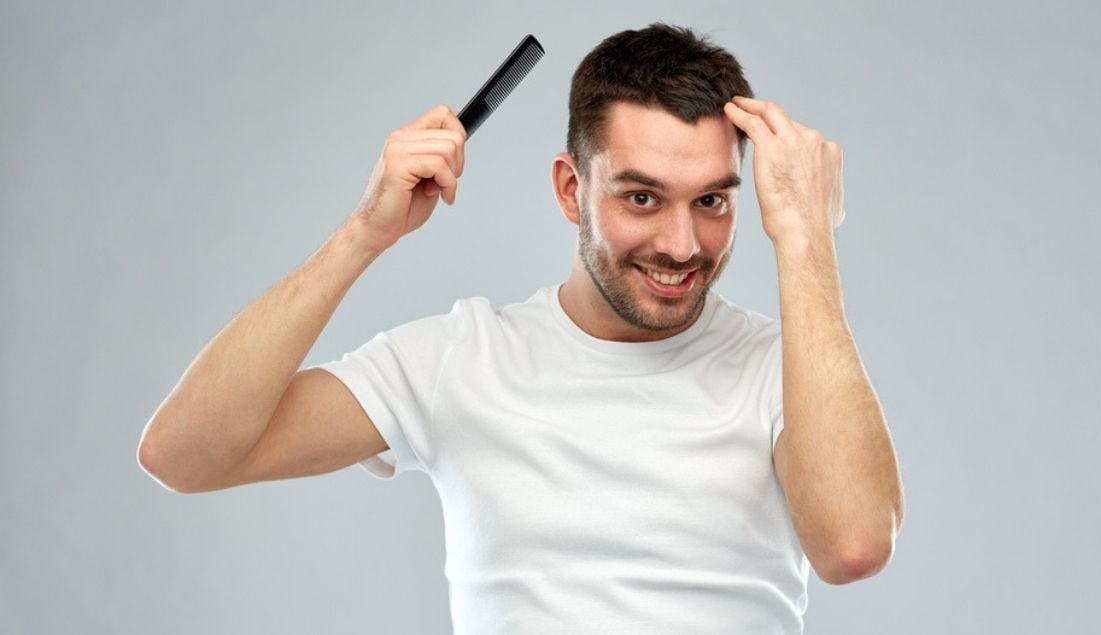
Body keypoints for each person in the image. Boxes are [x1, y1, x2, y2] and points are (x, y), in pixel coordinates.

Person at [138, 22, 904, 634]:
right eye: (642, 198)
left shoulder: (789, 369)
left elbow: (853, 545)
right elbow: (186, 454)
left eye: (713, 201)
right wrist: (362, 234)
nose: (682, 243)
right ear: (572, 189)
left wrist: (805, 236)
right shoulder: (462, 359)